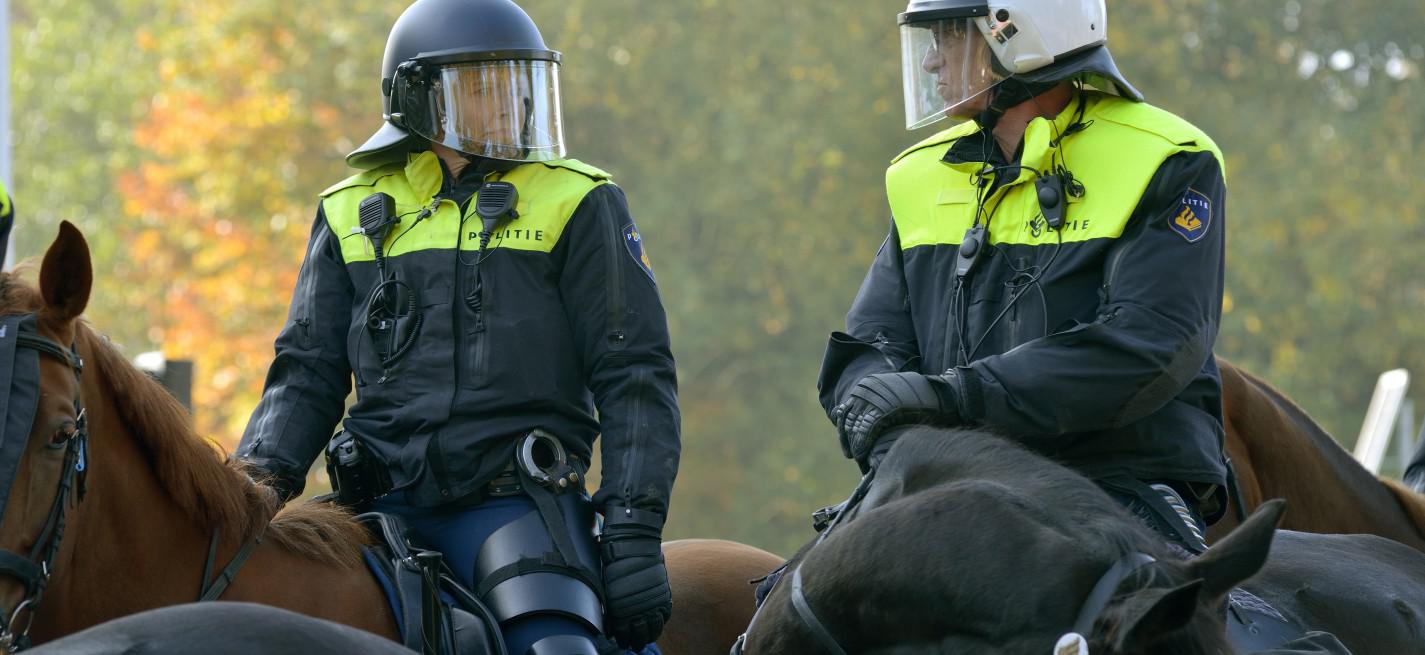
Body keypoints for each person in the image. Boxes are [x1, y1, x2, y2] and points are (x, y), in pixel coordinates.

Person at [236, 1, 680, 653]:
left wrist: (633, 533)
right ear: (417, 100)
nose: (509, 103)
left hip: (516, 506)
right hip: (368, 511)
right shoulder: (345, 212)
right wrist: (248, 496)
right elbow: (306, 374)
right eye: (483, 86)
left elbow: (635, 377)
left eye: (518, 82)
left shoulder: (581, 199)